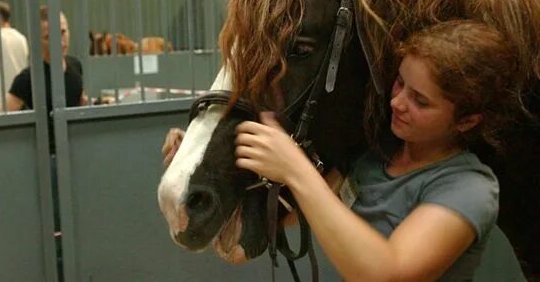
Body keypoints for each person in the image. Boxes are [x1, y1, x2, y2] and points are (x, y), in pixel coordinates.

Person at [163, 21, 523, 281]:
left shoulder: (468, 188)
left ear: (466, 121)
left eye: (421, 101)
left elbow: (389, 274)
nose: (397, 102)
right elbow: (241, 247)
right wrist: (204, 166)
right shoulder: (373, 156)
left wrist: (295, 171)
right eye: (400, 83)